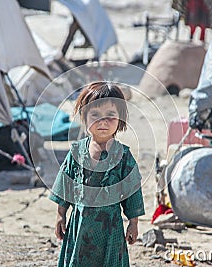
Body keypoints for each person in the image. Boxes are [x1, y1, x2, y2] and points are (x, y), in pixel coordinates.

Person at [49, 81, 145, 266]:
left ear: (121, 118)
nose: (103, 122)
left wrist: (133, 222)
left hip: (111, 227)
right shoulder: (76, 152)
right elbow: (65, 184)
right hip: (80, 226)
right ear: (84, 117)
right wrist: (60, 215)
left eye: (110, 115)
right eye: (95, 115)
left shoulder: (123, 156)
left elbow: (133, 191)